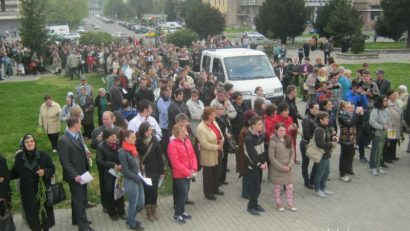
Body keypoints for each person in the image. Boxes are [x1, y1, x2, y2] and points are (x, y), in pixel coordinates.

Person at [10, 134, 55, 231]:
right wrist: (5, 176)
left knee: (45, 219)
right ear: (23, 145)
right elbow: (15, 172)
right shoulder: (19, 157)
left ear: (35, 142)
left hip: (42, 195)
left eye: (31, 141)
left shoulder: (44, 155)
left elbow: (52, 168)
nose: (30, 144)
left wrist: (44, 172)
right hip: (28, 195)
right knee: (33, 221)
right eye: (27, 142)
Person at [58, 117, 95, 231]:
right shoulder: (63, 140)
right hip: (75, 177)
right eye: (80, 123)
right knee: (79, 200)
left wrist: (86, 154)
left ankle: (76, 219)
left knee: (79, 198)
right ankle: (83, 227)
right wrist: (75, 175)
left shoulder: (77, 135)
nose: (81, 125)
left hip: (83, 174)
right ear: (75, 125)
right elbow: (65, 162)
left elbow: (78, 151)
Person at [168, 124, 198, 224]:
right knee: (183, 194)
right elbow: (175, 163)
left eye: (185, 130)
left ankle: (182, 211)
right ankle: (177, 215)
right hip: (180, 175)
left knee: (185, 194)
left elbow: (193, 155)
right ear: (177, 133)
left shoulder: (187, 141)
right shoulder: (172, 144)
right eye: (182, 131)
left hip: (189, 173)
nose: (185, 132)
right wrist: (188, 172)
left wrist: (193, 168)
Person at [136, 122, 165, 222]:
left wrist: (162, 170)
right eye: (147, 131)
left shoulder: (155, 140)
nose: (150, 132)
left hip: (155, 169)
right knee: (147, 191)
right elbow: (139, 155)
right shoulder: (138, 142)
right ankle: (148, 212)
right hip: (145, 171)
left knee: (154, 190)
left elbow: (159, 157)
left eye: (150, 130)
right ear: (143, 131)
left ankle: (154, 209)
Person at [95, 128, 126, 221]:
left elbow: (123, 155)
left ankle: (122, 212)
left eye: (115, 137)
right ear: (106, 139)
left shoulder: (119, 145)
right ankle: (112, 213)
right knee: (110, 193)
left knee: (120, 192)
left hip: (119, 173)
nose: (114, 139)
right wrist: (112, 165)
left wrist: (121, 164)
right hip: (108, 174)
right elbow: (99, 161)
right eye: (111, 137)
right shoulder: (101, 147)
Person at [118, 130, 145, 231]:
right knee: (133, 203)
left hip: (139, 179)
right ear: (126, 139)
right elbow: (126, 172)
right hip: (131, 181)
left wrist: (142, 170)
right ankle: (132, 224)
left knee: (141, 202)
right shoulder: (122, 153)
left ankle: (130, 218)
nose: (135, 139)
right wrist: (138, 178)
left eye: (135, 137)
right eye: (133, 137)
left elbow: (137, 165)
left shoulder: (133, 149)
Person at [196, 107, 224, 201]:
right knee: (208, 175)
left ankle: (215, 189)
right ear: (208, 116)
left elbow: (220, 134)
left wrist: (222, 140)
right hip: (208, 155)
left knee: (218, 171)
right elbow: (204, 144)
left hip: (217, 153)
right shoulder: (201, 128)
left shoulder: (214, 122)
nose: (215, 115)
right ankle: (208, 192)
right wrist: (217, 147)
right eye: (213, 114)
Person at [268, 123, 296, 212]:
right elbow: (271, 158)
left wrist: (290, 164)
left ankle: (290, 203)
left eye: (284, 130)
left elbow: (292, 153)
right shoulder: (273, 142)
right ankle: (278, 203)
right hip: (277, 169)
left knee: (290, 186)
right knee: (277, 188)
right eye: (280, 130)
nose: (282, 132)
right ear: (276, 131)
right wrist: (283, 167)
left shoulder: (288, 139)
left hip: (288, 167)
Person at [244, 116, 268, 216]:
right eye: (259, 124)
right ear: (253, 126)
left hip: (260, 165)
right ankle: (250, 206)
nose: (261, 126)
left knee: (258, 186)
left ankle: (255, 203)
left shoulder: (260, 135)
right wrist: (258, 164)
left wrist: (265, 161)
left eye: (261, 124)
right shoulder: (249, 138)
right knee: (256, 187)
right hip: (253, 166)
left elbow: (263, 150)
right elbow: (251, 154)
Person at [313, 112, 337, 198]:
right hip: (321, 155)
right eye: (326, 118)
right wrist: (331, 144)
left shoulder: (326, 127)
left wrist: (333, 136)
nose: (328, 120)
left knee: (327, 172)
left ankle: (323, 187)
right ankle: (317, 189)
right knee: (320, 172)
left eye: (328, 118)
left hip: (326, 154)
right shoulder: (319, 129)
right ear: (321, 120)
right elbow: (319, 144)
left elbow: (331, 134)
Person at [338, 101, 362, 182]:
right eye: (349, 107)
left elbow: (357, 123)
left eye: (352, 107)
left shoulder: (350, 115)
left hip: (351, 139)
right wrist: (356, 113)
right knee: (344, 157)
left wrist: (360, 114)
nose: (351, 109)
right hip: (345, 140)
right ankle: (342, 174)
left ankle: (348, 169)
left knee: (350, 155)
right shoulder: (341, 116)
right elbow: (350, 123)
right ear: (343, 108)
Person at [369, 95, 391, 176]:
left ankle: (378, 166)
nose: (386, 102)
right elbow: (372, 122)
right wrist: (382, 127)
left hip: (384, 134)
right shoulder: (375, 110)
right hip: (377, 134)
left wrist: (389, 126)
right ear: (380, 101)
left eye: (386, 100)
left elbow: (389, 120)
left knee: (381, 150)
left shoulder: (387, 110)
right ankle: (372, 167)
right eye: (384, 100)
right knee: (375, 151)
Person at [300, 102, 319, 189]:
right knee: (305, 163)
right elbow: (307, 134)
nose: (317, 111)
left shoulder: (316, 117)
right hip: (307, 143)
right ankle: (306, 181)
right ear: (310, 109)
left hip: (314, 143)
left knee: (317, 161)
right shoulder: (306, 119)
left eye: (318, 109)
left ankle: (312, 178)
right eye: (315, 109)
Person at [213, 104, 233, 185]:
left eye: (223, 109)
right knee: (219, 162)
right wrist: (225, 135)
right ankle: (217, 180)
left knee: (225, 161)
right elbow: (217, 132)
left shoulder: (224, 118)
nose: (222, 110)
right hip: (219, 142)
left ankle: (223, 178)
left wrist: (230, 134)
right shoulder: (215, 120)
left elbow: (229, 127)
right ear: (216, 110)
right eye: (220, 109)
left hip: (226, 142)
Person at [382, 90, 402, 164]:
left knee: (394, 141)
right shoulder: (387, 104)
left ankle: (393, 155)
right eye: (393, 95)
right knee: (389, 142)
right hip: (391, 125)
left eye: (395, 95)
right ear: (389, 96)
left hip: (396, 125)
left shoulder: (396, 103)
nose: (395, 96)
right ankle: (387, 157)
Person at [156, 86, 172, 156]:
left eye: (170, 90)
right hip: (164, 126)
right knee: (165, 143)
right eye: (168, 90)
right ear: (164, 92)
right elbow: (165, 112)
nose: (170, 92)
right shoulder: (160, 101)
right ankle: (164, 156)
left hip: (170, 125)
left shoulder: (170, 99)